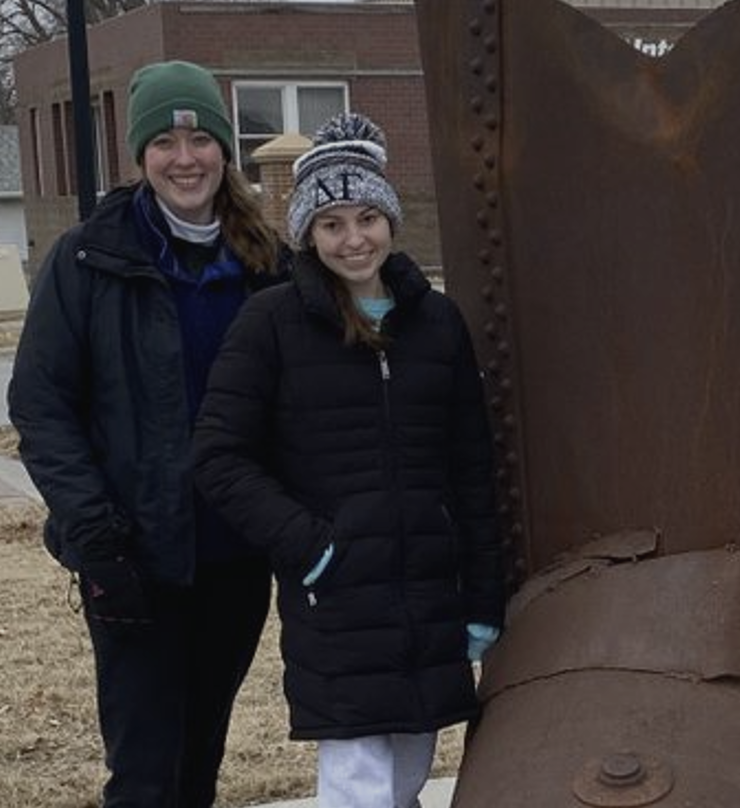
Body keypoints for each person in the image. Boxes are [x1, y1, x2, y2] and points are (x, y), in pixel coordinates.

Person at [191, 112, 505, 808]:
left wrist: (482, 596)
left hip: (428, 596)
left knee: (406, 774)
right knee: (358, 786)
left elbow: (471, 469)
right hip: (336, 600)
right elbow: (217, 456)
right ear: (307, 232)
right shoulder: (271, 324)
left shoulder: (436, 322)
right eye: (331, 223)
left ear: (391, 221)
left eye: (367, 217)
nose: (353, 238)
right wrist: (311, 546)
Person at [7, 60, 286, 807]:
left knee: (200, 756)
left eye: (199, 140)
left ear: (224, 151)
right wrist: (96, 533)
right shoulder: (88, 260)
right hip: (135, 558)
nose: (184, 158)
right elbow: (40, 404)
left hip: (234, 554)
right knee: (144, 773)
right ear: (140, 156)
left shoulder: (269, 266)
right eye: (163, 141)